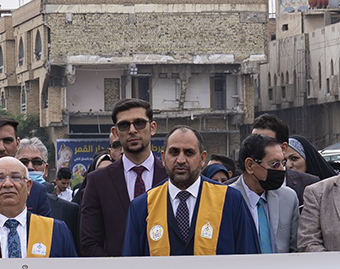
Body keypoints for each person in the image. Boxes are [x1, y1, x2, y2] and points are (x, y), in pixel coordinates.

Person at [121, 126, 260, 256]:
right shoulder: (142, 207)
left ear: (202, 158)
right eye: (174, 152)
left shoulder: (230, 201)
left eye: (189, 153)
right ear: (163, 158)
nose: (181, 160)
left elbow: (249, 260)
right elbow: (130, 267)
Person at [79, 99, 165, 256]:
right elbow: (89, 244)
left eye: (139, 123)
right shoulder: (98, 182)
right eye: (124, 125)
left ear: (152, 127)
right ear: (115, 132)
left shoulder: (170, 177)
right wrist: (120, 268)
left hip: (164, 268)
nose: (132, 130)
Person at [225, 134, 297, 254]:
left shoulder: (288, 198)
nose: (282, 169)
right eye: (274, 164)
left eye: (282, 162)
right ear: (250, 165)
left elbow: (296, 249)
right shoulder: (226, 199)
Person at [17, 137, 79, 235]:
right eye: (23, 162)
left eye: (37, 162)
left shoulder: (68, 210)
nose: (30, 167)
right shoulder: (0, 206)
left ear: (46, 170)